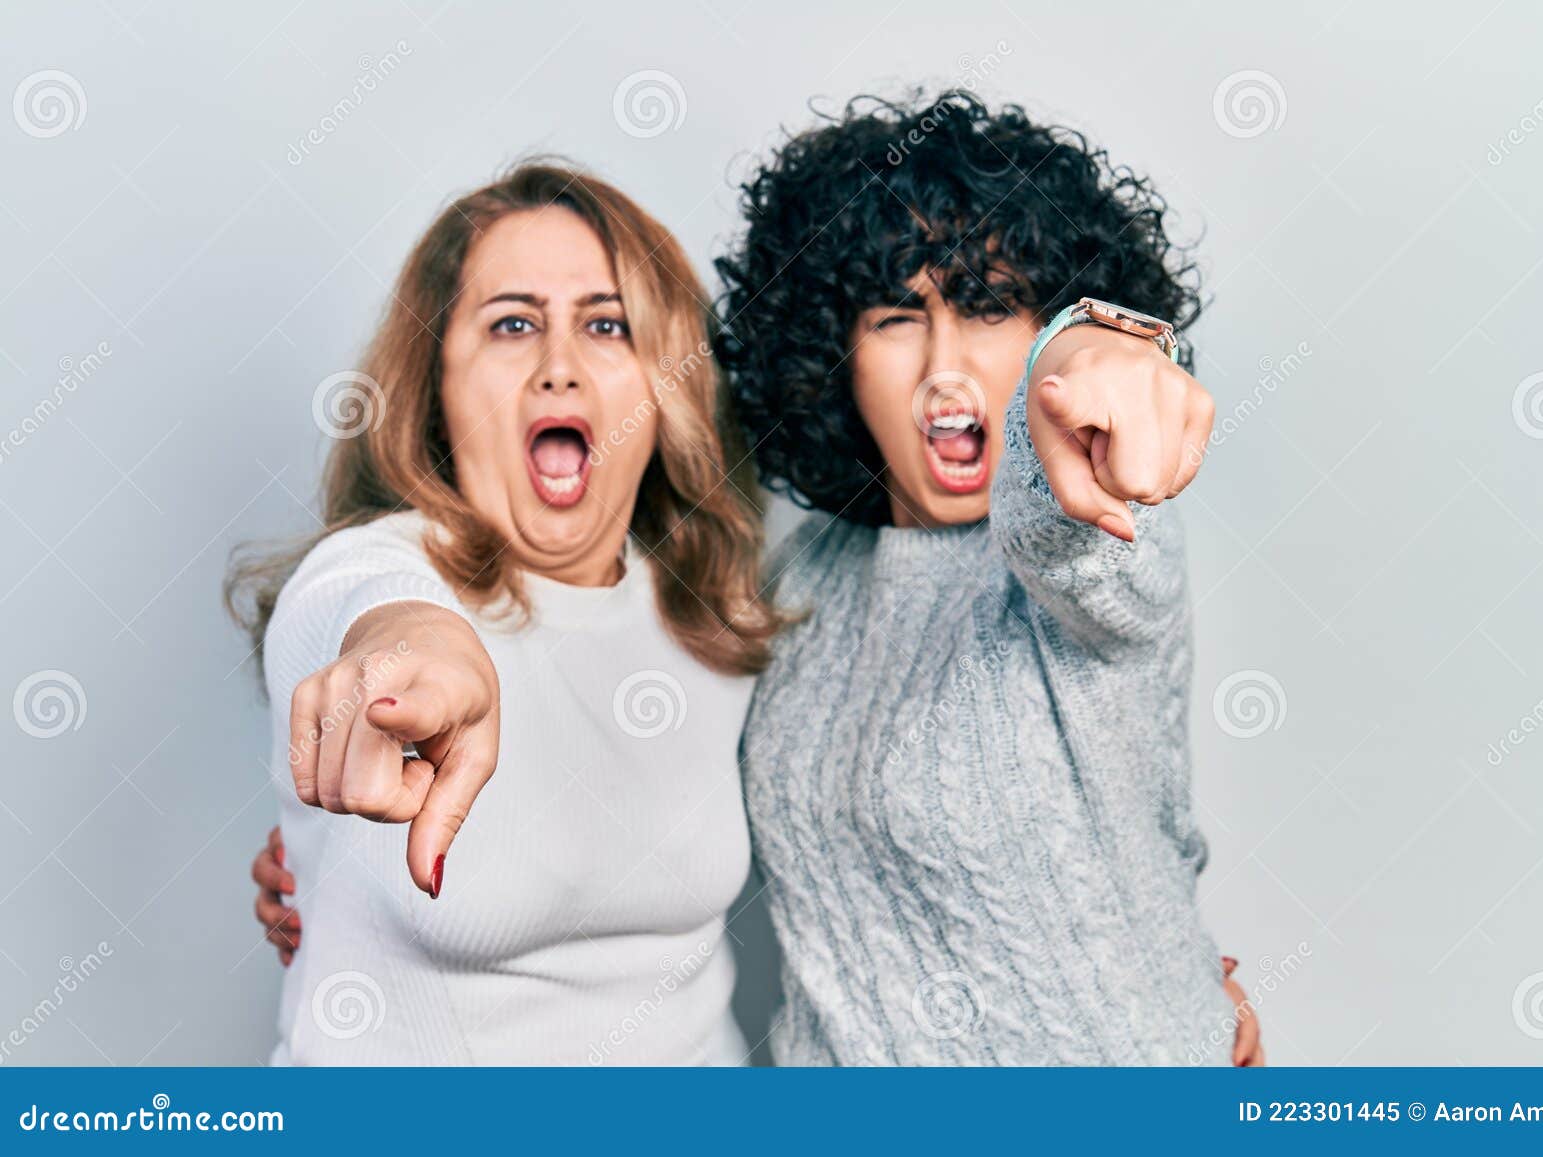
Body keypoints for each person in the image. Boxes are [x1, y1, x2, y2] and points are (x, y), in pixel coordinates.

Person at [251, 92, 1265, 1065]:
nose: (947, 367)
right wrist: (349, 802)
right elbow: (383, 615)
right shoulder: (768, 588)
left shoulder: (1079, 542)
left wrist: (1096, 343)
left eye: (995, 308)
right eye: (894, 318)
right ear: (834, 354)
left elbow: (1073, 532)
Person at [226, 161, 784, 1064]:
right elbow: (378, 621)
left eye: (607, 325)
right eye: (512, 325)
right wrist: (420, 657)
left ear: (663, 384)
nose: (559, 368)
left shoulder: (713, 614)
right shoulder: (369, 571)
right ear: (435, 383)